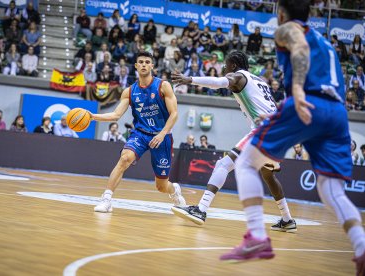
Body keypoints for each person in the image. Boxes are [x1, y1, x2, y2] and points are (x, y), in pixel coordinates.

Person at [216, 2, 365, 273]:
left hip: (307, 103)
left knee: (245, 162)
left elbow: (298, 44)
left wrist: (296, 88)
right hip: (337, 113)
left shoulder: (288, 29)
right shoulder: (327, 43)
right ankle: (362, 248)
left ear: (281, 13)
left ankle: (258, 238)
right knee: (330, 190)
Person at [172, 51, 296, 233]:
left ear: (234, 66)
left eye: (226, 66)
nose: (225, 70)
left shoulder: (238, 76)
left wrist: (190, 79)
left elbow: (219, 83)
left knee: (223, 164)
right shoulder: (260, 80)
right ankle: (287, 219)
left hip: (263, 131)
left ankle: (201, 209)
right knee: (268, 174)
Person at [89, 51, 186, 213]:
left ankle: (174, 191)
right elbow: (115, 115)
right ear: (135, 66)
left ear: (152, 66)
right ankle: (106, 199)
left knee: (161, 186)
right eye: (140, 62)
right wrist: (93, 116)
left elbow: (174, 114)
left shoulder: (163, 86)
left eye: (147, 62)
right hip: (140, 133)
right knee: (124, 159)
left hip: (162, 136)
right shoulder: (129, 91)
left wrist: (162, 134)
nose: (143, 64)